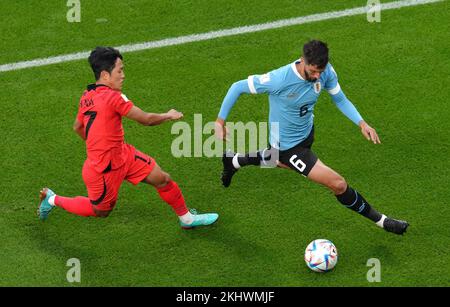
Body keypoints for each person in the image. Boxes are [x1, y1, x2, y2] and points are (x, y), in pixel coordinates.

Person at [215, 40, 408, 234]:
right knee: (338, 184)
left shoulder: (326, 72)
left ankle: (234, 160)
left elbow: (339, 98)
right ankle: (383, 221)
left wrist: (362, 123)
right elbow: (236, 87)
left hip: (307, 133)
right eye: (313, 71)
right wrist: (220, 122)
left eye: (320, 72)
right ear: (302, 61)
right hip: (288, 147)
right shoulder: (279, 79)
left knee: (277, 160)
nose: (317, 77)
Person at [38, 46, 218, 229]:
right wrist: (168, 115)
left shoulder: (87, 95)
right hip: (104, 169)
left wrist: (99, 144)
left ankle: (187, 219)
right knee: (101, 211)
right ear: (105, 75)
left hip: (123, 155)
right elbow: (146, 120)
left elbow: (77, 127)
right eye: (119, 70)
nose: (123, 75)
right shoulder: (113, 97)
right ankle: (52, 199)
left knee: (162, 178)